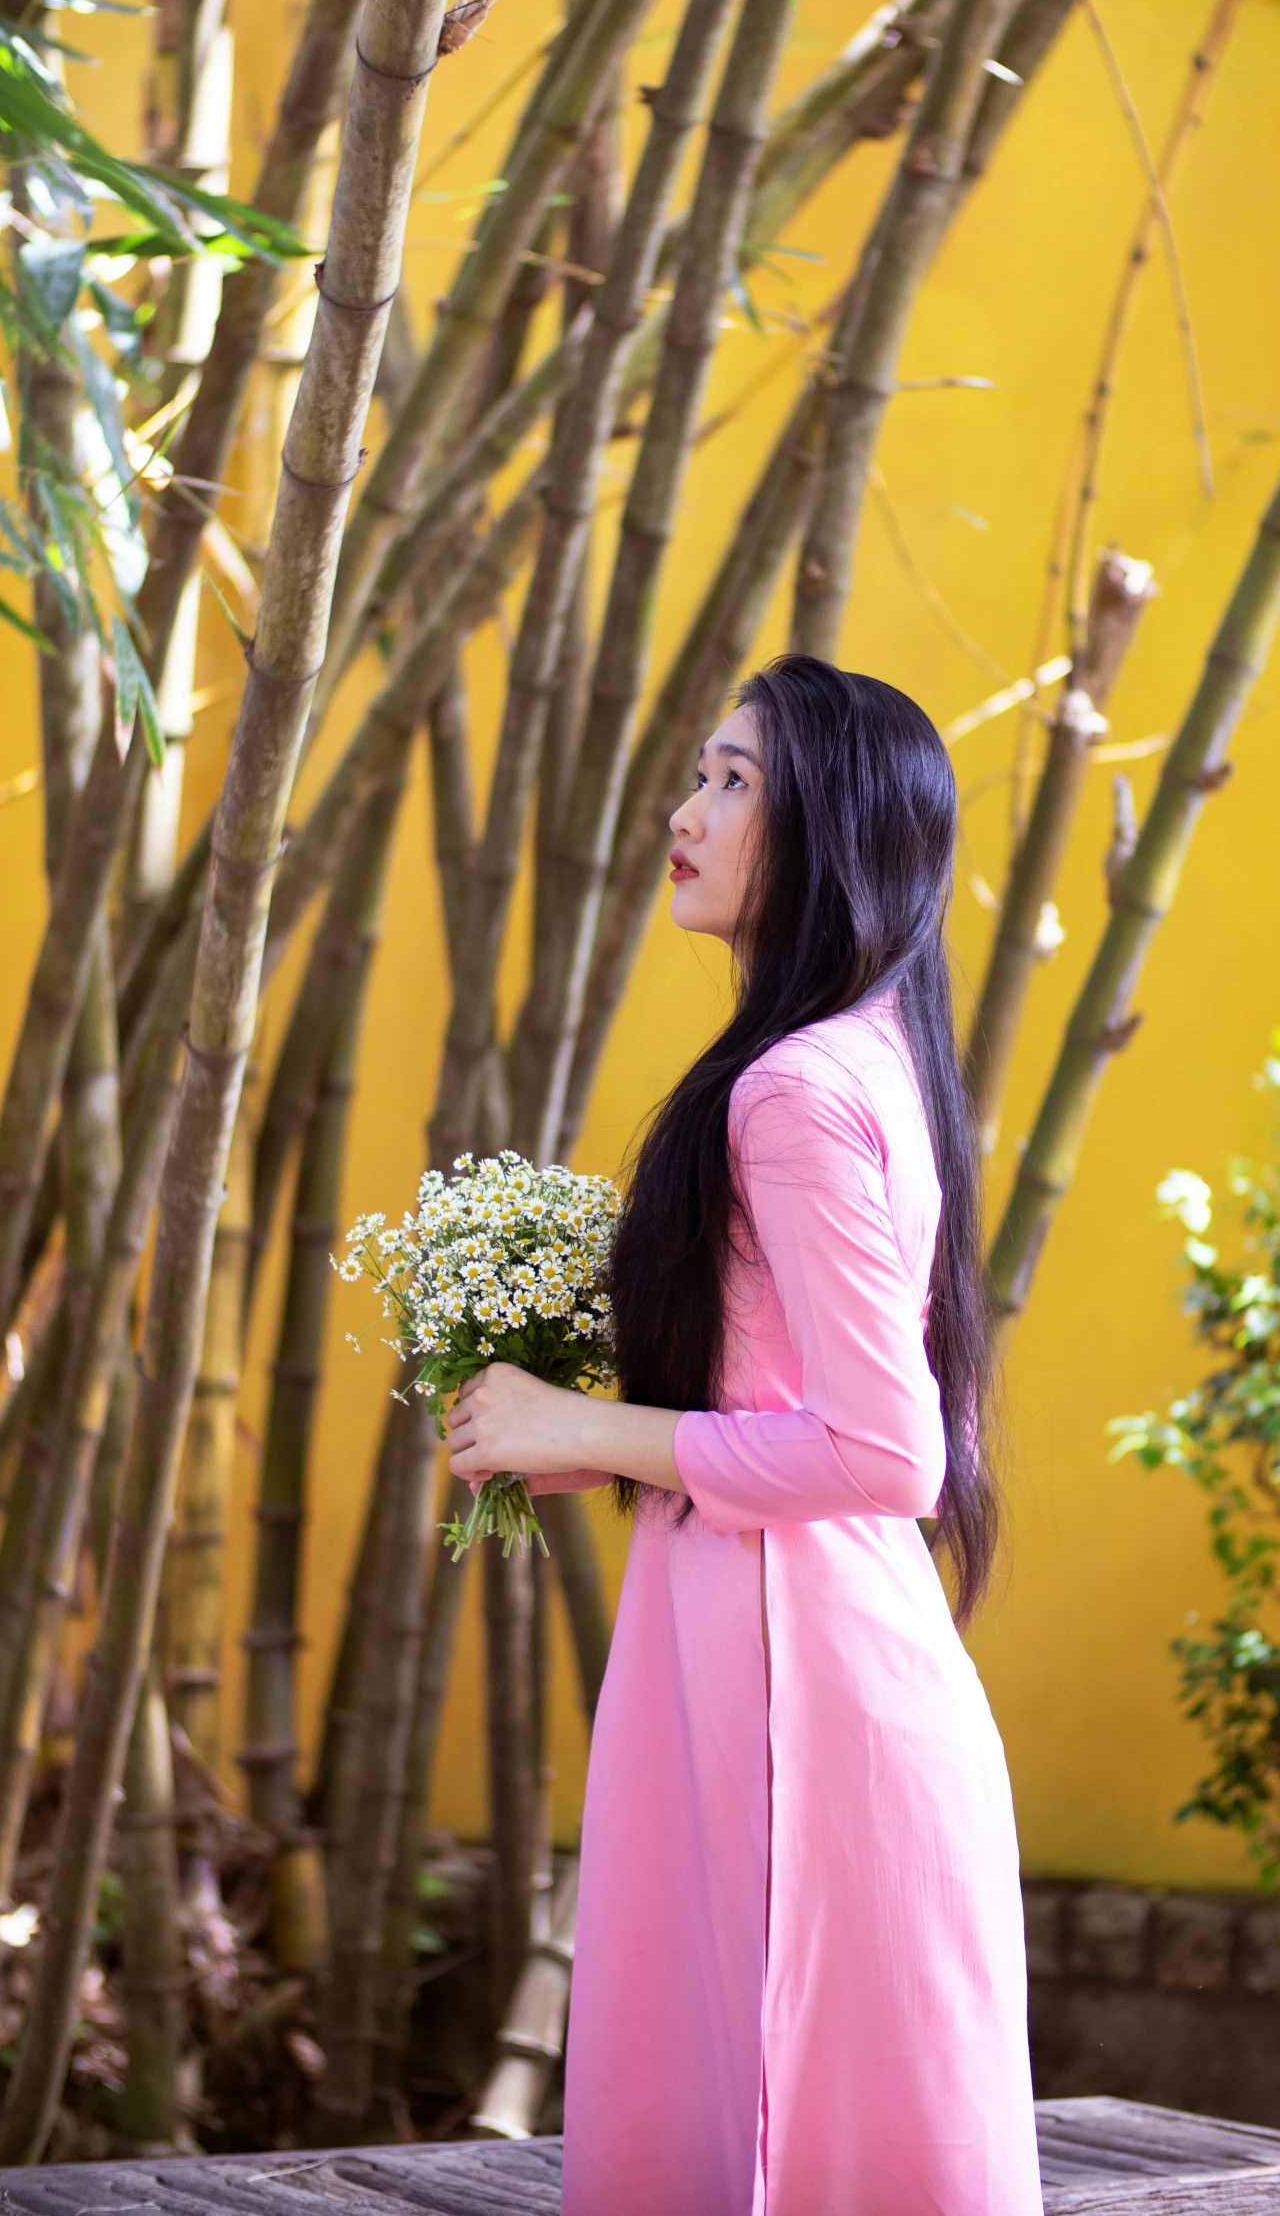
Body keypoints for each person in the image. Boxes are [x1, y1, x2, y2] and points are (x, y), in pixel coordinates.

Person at [445, 655, 1042, 2216]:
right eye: (695, 776)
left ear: (828, 825)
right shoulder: (869, 1059)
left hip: (801, 1697)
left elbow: (883, 1454)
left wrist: (581, 1412)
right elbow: (791, 1397)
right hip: (779, 1656)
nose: (681, 811)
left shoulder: (790, 1090)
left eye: (729, 782)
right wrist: (597, 1444)